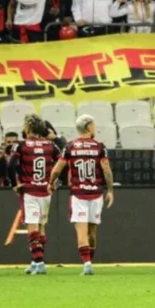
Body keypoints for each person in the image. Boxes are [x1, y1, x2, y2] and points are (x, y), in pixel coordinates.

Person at [47, 115, 114, 276]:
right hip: (96, 193)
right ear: (89, 127)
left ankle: (87, 263)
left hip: (78, 194)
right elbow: (106, 169)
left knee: (81, 231)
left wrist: (51, 183)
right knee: (92, 232)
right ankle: (90, 260)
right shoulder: (99, 147)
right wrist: (110, 190)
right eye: (94, 124)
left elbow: (57, 168)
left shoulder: (70, 146)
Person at [8, 115, 61, 275]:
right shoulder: (51, 146)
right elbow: (63, 164)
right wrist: (57, 182)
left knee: (32, 227)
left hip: (29, 190)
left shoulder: (20, 146)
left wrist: (14, 184)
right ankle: (35, 261)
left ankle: (39, 262)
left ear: (28, 128)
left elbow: (11, 165)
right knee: (41, 226)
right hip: (45, 190)